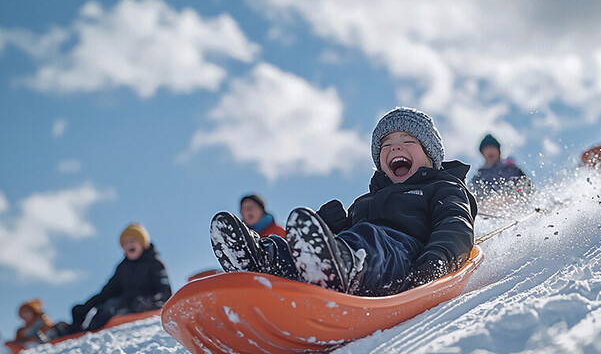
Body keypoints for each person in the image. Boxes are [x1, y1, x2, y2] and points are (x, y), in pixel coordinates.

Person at [210, 106, 477, 297]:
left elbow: (455, 225)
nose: (396, 148)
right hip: (363, 252)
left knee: (369, 237)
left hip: (407, 258)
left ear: (431, 156)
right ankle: (265, 261)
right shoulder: (366, 201)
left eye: (408, 141)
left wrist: (436, 261)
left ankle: (343, 265)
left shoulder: (443, 187)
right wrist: (329, 227)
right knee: (351, 235)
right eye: (387, 145)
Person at [68, 223, 171, 333]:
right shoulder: (123, 267)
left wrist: (150, 303)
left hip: (144, 305)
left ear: (142, 243)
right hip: (123, 304)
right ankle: (84, 330)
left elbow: (165, 293)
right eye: (125, 243)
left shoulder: (154, 263)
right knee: (108, 306)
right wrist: (85, 308)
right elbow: (106, 292)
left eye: (132, 241)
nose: (128, 245)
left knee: (129, 304)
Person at [470, 134, 534, 200]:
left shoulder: (511, 168)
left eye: (492, 148)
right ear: (482, 153)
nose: (490, 151)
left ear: (498, 151)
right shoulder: (479, 177)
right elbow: (474, 197)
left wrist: (513, 195)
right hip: (488, 208)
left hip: (515, 206)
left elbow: (527, 188)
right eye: (486, 149)